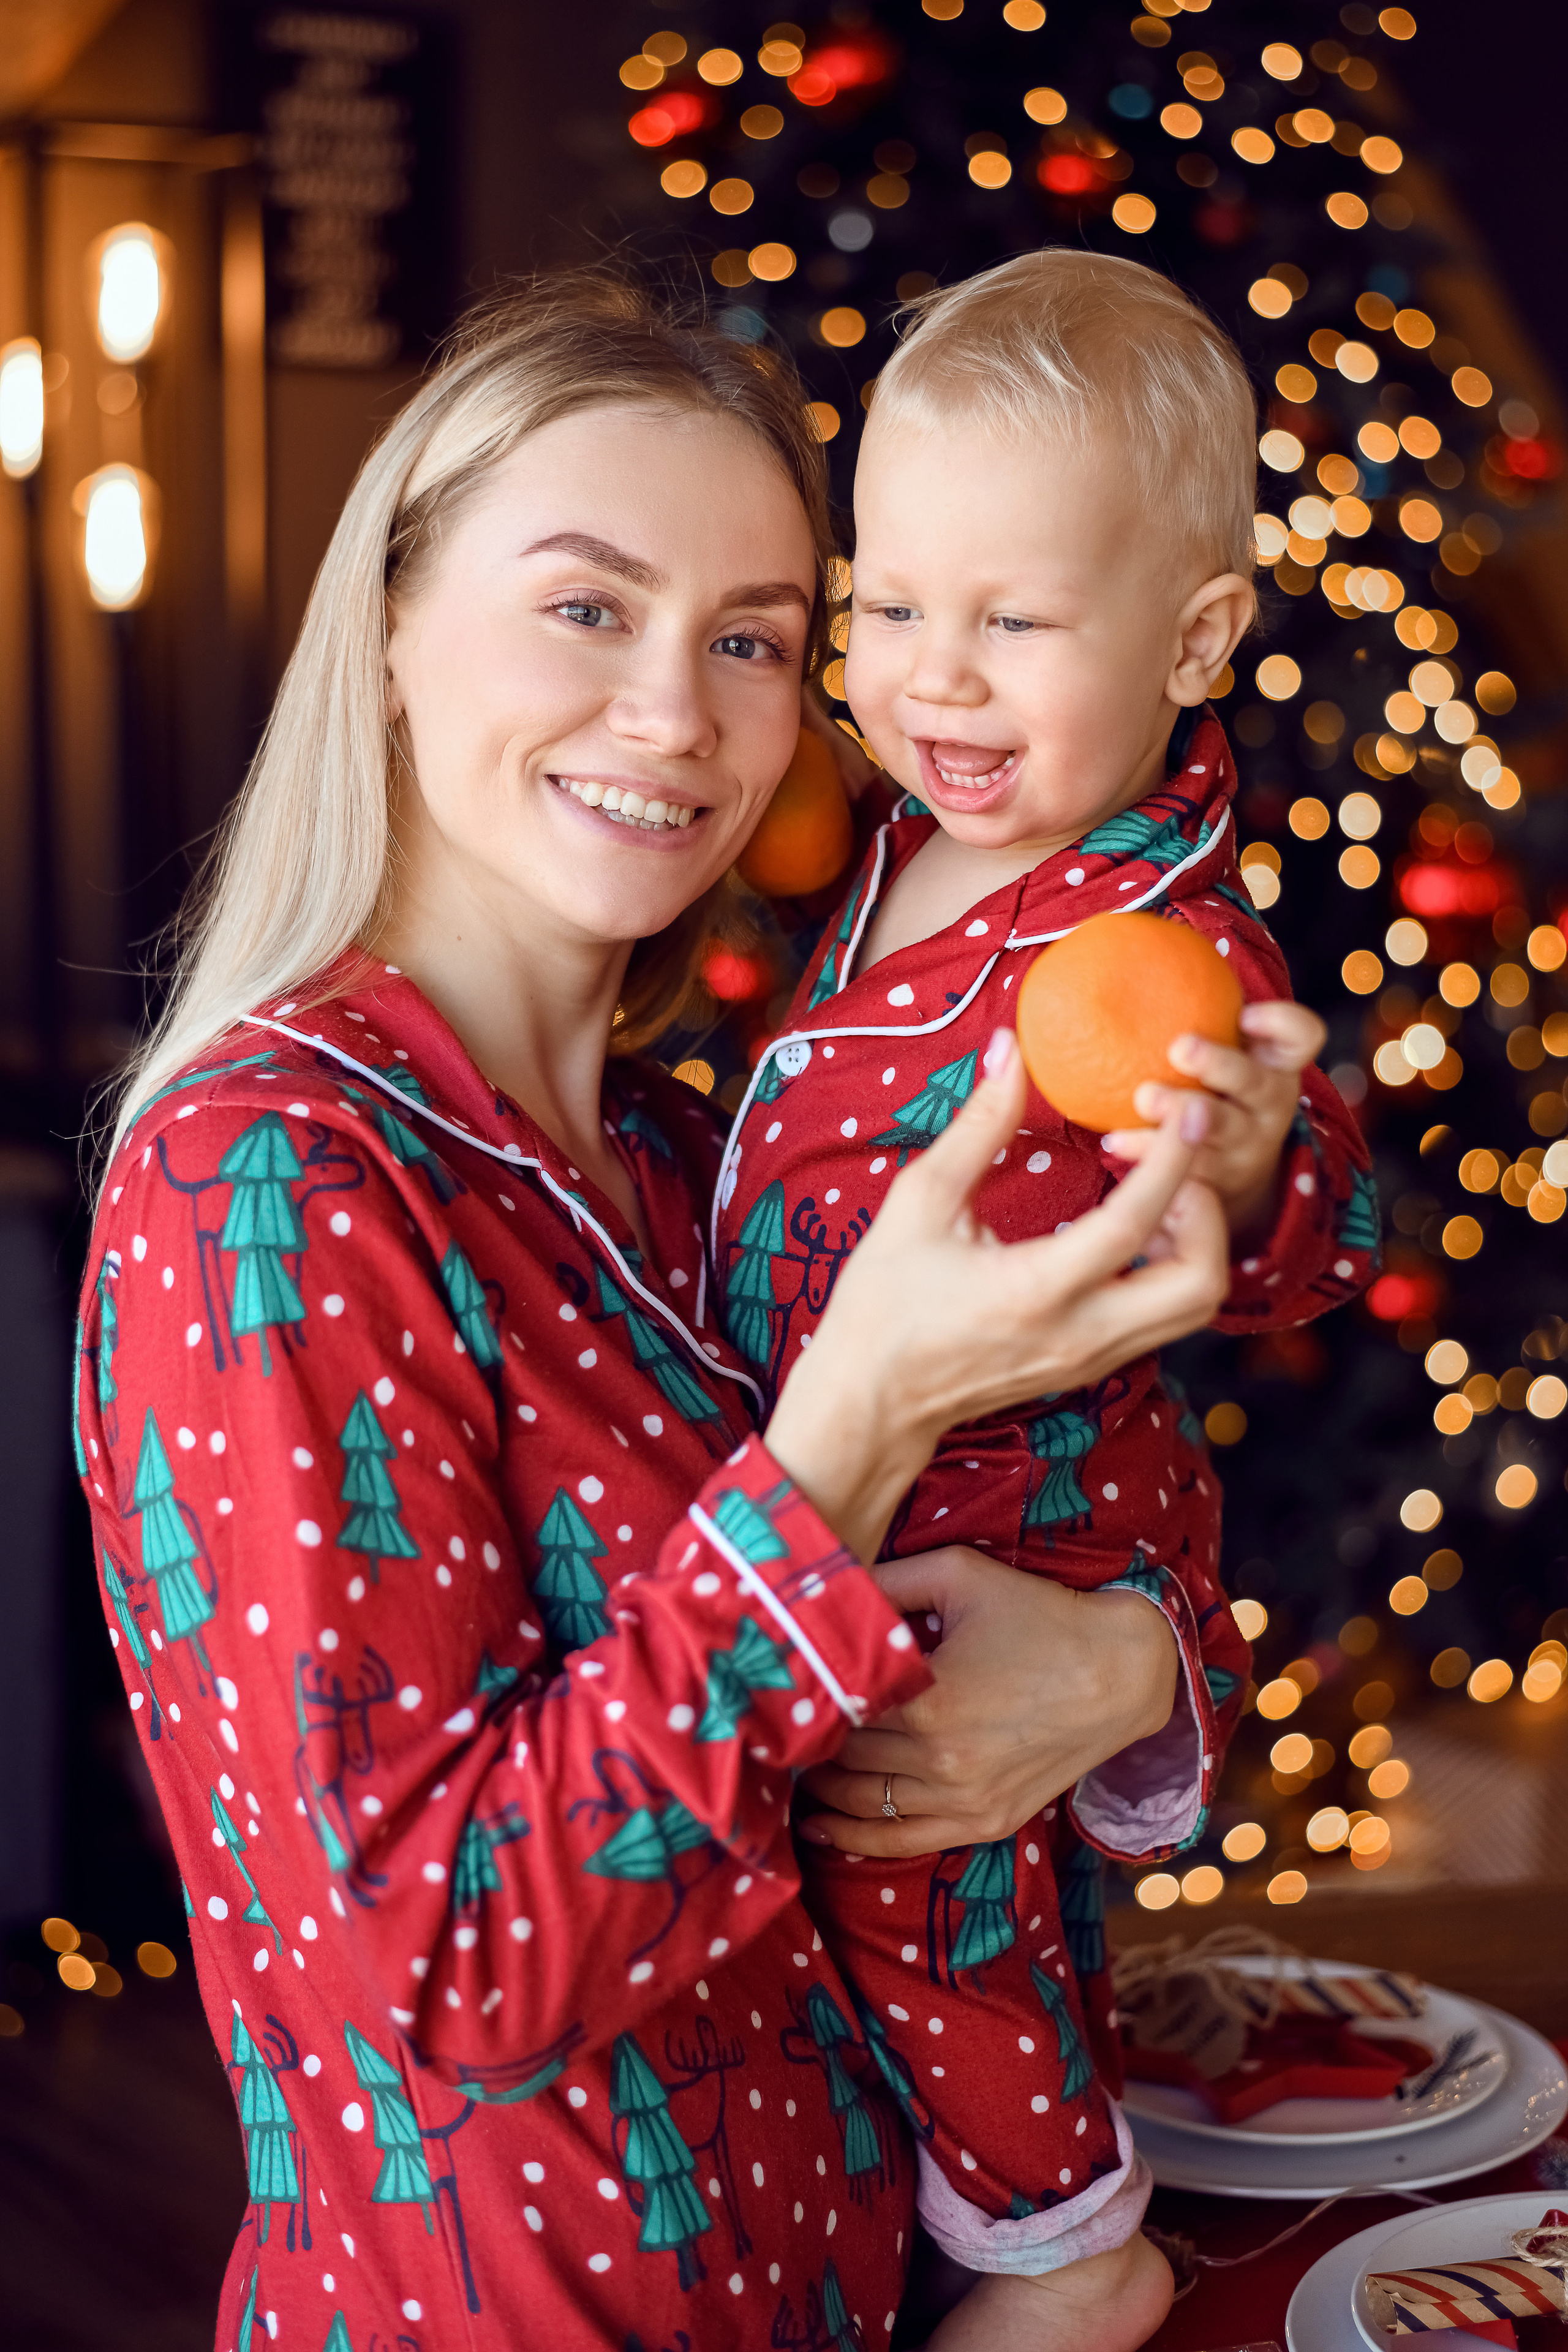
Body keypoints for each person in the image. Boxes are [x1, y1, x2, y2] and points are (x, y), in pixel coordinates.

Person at [73, 276, 1231, 2352]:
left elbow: (1065, 1498)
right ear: (397, 629)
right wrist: (846, 1433)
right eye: (588, 606)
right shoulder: (263, 1177)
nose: (678, 716)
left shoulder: (711, 1173)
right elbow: (448, 1972)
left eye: (757, 640)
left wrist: (1131, 1655)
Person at [713, 252, 1380, 2351]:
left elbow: (1286, 1221)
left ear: (1193, 641)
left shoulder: (1160, 938)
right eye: (891, 611)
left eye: (1013, 622)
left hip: (994, 1543)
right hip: (834, 1505)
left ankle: (1061, 2241)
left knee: (940, 1896)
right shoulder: (899, 846)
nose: (938, 679)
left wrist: (1258, 1156)